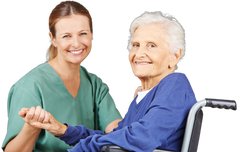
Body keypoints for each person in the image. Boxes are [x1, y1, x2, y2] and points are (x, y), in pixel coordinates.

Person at [18, 10, 198, 152]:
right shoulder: (145, 93)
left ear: (175, 56)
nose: (139, 54)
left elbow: (141, 138)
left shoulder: (175, 85)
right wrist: (63, 130)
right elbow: (118, 136)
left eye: (152, 45)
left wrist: (83, 148)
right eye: (135, 45)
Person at [1, 1, 122, 152]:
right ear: (53, 39)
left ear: (92, 34)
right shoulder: (30, 86)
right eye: (67, 36)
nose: (76, 43)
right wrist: (32, 127)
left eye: (83, 33)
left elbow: (119, 136)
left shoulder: (96, 85)